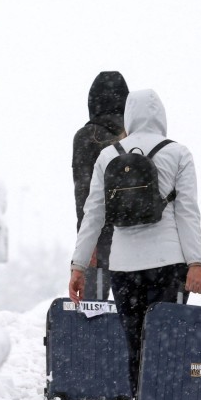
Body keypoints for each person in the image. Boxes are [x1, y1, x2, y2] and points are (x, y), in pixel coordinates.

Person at [68, 88, 201, 400]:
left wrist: (78, 266)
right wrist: (195, 264)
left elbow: (94, 215)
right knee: (168, 344)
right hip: (169, 266)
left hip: (123, 267)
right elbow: (188, 213)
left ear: (129, 116)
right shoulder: (178, 153)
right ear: (162, 116)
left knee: (135, 344)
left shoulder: (108, 155)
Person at [72, 71, 130, 301]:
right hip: (137, 240)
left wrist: (86, 246)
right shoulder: (133, 135)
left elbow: (84, 195)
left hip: (100, 238)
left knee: (93, 316)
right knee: (131, 318)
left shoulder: (88, 136)